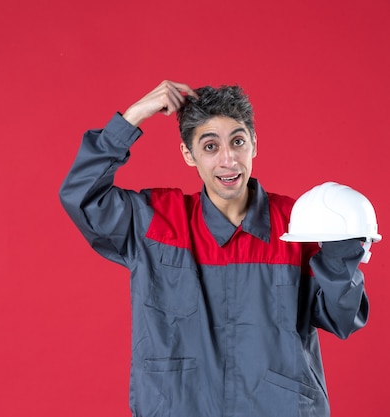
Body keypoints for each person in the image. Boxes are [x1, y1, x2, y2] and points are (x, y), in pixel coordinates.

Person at [59, 81, 369, 416]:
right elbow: (82, 196)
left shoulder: (297, 224)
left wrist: (344, 248)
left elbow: (342, 318)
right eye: (210, 146)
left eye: (238, 141)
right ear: (188, 155)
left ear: (254, 145)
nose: (228, 159)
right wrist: (132, 117)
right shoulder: (156, 221)